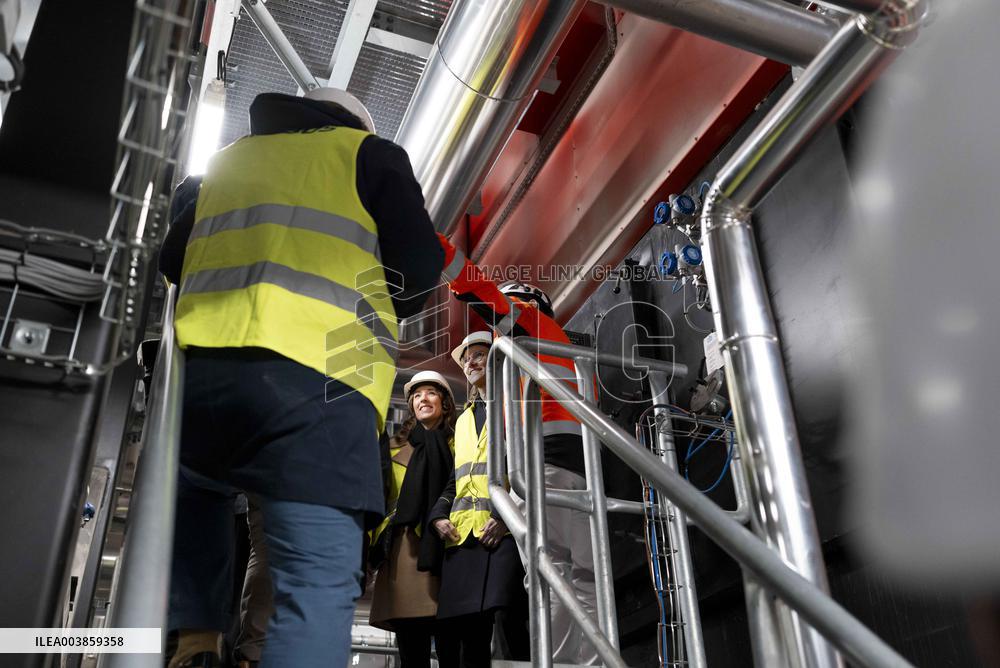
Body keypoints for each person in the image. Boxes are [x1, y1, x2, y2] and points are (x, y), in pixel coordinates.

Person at [158, 87, 443, 668]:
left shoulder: (224, 162)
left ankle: (194, 642)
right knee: (313, 585)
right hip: (318, 386)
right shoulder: (368, 154)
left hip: (201, 377)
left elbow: (171, 260)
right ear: (355, 121)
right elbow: (416, 272)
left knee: (199, 505)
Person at [436, 236, 599, 664]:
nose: (496, 336)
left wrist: (439, 252)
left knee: (568, 578)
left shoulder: (535, 328)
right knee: (556, 579)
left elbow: (484, 294)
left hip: (553, 469)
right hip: (547, 474)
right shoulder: (533, 363)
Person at [428, 332, 529, 668]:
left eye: (479, 355)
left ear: (498, 359)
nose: (470, 363)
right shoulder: (463, 420)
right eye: (466, 358)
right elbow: (456, 480)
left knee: (510, 622)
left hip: (502, 532)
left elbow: (529, 467)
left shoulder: (517, 403)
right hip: (462, 537)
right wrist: (438, 516)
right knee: (464, 635)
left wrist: (506, 519)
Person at [368, 370, 459, 667]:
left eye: (431, 392)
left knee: (452, 643)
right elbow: (381, 499)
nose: (423, 399)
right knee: (411, 647)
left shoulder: (461, 445)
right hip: (404, 551)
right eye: (417, 395)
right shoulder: (394, 448)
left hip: (448, 547)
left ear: (444, 403)